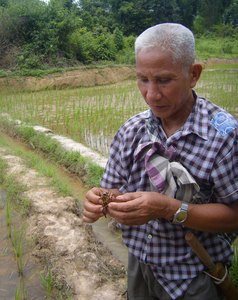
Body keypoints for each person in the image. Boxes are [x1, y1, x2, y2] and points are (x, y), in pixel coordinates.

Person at [83, 23, 238, 300]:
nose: (151, 94)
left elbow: (235, 215)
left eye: (164, 80)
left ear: (193, 74)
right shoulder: (132, 130)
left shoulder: (223, 136)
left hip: (193, 274)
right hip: (139, 265)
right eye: (143, 79)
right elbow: (113, 189)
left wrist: (169, 208)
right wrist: (101, 200)